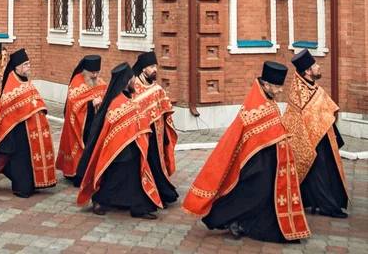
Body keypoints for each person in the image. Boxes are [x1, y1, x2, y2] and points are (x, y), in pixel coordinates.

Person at [183, 61, 311, 243]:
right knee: (252, 195)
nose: (280, 90)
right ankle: (222, 218)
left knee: (262, 196)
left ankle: (242, 223)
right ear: (266, 84)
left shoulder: (268, 100)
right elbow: (247, 137)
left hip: (268, 161)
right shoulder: (255, 106)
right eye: (277, 86)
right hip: (255, 162)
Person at [76, 63, 161, 219]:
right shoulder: (116, 102)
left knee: (134, 176)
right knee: (115, 177)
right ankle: (100, 200)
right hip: (118, 149)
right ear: (126, 81)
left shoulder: (129, 97)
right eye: (132, 79)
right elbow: (114, 127)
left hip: (132, 145)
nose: (135, 81)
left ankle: (138, 207)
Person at [0, 49, 56, 198]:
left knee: (29, 159)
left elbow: (34, 100)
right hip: (17, 131)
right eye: (25, 64)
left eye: (29, 64)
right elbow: (9, 108)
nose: (28, 67)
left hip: (30, 131)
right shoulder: (11, 82)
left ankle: (32, 184)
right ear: (17, 67)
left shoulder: (25, 80)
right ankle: (21, 188)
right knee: (20, 160)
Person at [283, 49, 348, 218]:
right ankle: (328, 207)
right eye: (315, 65)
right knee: (318, 174)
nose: (319, 67)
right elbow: (302, 117)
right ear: (307, 71)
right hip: (308, 140)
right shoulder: (299, 92)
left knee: (328, 170)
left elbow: (325, 110)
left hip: (323, 137)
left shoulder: (313, 86)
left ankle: (318, 202)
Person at [131, 51, 178, 206]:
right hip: (141, 135)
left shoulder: (157, 89)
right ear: (143, 68)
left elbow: (166, 109)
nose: (155, 70)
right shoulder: (134, 88)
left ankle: (161, 192)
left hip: (157, 135)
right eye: (151, 67)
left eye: (155, 66)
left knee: (157, 163)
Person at [56, 55, 108, 182]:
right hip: (81, 125)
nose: (95, 75)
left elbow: (105, 95)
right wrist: (91, 103)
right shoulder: (76, 82)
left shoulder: (100, 82)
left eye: (97, 72)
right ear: (85, 71)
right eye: (92, 73)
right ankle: (77, 174)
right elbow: (74, 104)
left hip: (95, 123)